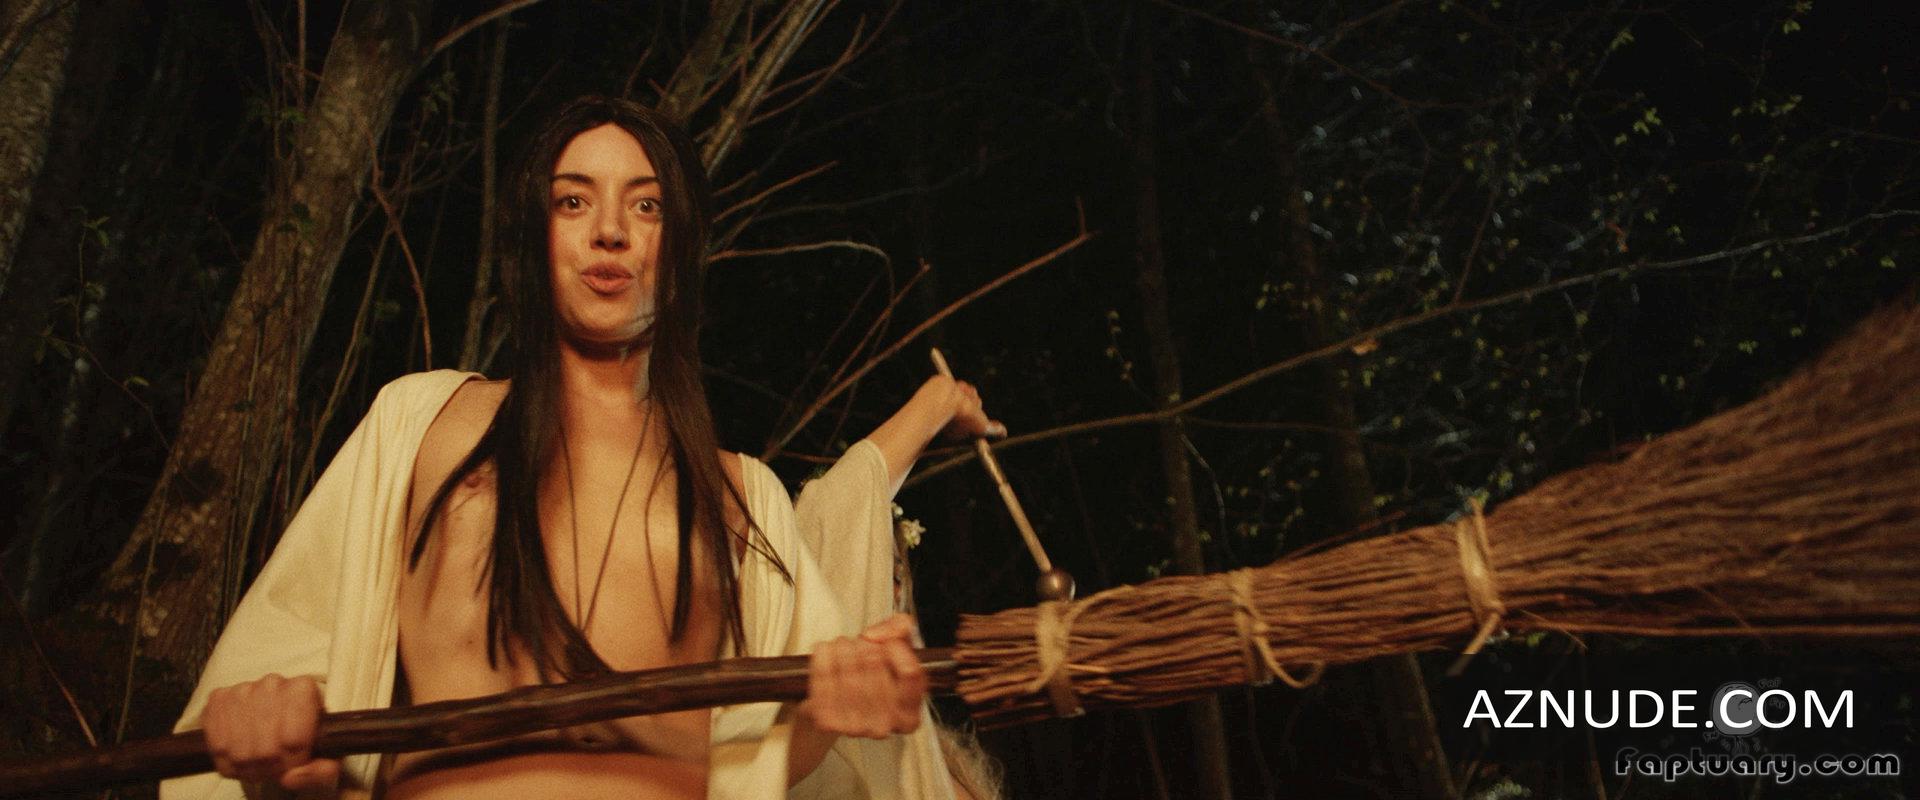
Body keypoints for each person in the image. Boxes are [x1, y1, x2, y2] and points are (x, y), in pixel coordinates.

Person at [163, 96, 1001, 800]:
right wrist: (272, 740)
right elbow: (295, 665)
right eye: (573, 202)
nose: (609, 232)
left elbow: (773, 748)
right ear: (537, 236)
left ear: (681, 249)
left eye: (646, 206)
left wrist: (836, 706)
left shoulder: (743, 500)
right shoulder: (424, 425)